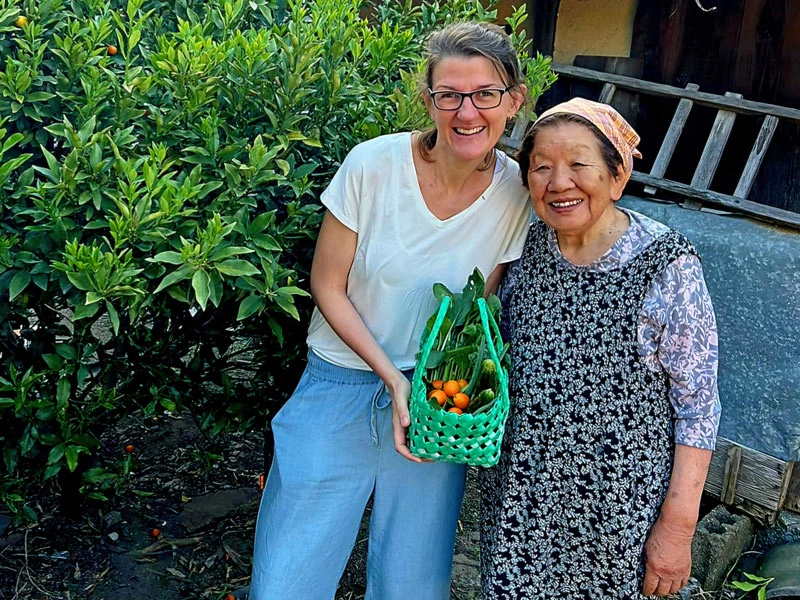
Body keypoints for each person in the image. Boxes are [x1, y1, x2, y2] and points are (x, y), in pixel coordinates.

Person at [250, 22, 532, 600]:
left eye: (485, 94)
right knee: (288, 571)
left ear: (513, 100)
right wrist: (388, 377)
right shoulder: (372, 166)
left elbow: (477, 311)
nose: (467, 111)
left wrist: (427, 389)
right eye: (449, 94)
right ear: (428, 99)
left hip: (437, 400)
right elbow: (327, 285)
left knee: (413, 580)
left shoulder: (517, 194)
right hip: (339, 380)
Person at [480, 98, 721, 599]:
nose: (558, 181)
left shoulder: (666, 264)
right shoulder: (524, 247)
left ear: (617, 176)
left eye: (578, 164)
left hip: (616, 514)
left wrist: (677, 528)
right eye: (541, 167)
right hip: (521, 497)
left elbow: (697, 405)